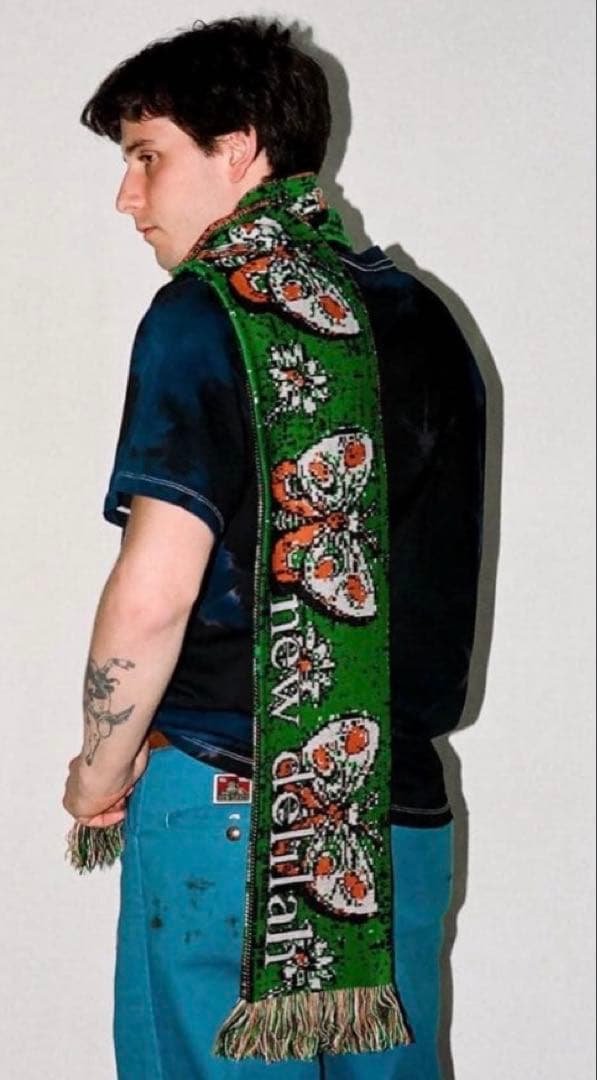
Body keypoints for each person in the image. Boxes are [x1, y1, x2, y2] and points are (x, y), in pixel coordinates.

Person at [62, 16, 485, 1080]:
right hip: (396, 826)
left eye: (147, 157)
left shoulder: (204, 315)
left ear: (240, 147)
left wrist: (97, 771)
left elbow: (154, 595)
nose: (128, 199)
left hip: (228, 818)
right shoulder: (424, 321)